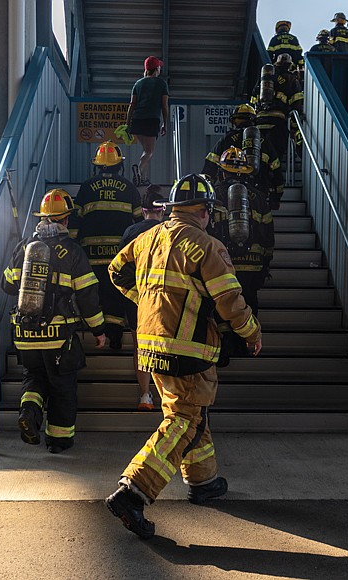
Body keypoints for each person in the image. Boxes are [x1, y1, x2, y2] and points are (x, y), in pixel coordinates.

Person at [104, 173, 262, 539]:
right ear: (204, 210)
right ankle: (133, 492)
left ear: (174, 209)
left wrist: (145, 301)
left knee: (189, 412)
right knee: (184, 419)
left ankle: (203, 481)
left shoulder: (146, 238)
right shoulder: (208, 246)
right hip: (188, 349)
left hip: (152, 343)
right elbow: (230, 302)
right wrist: (252, 333)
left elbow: (115, 271)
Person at [2, 189, 106, 453]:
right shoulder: (72, 251)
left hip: (25, 334)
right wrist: (99, 330)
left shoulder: (24, 247)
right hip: (58, 336)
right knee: (61, 387)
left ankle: (30, 412)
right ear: (66, 220)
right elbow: (87, 296)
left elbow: (7, 286)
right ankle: (58, 440)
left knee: (33, 378)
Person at [69, 141, 142, 350]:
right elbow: (139, 223)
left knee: (95, 293)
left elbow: (75, 220)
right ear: (120, 165)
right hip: (119, 256)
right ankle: (116, 335)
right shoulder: (129, 187)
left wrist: (73, 245)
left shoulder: (86, 187)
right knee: (116, 293)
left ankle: (97, 330)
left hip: (90, 255)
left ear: (98, 165)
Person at [211, 148, 274, 360]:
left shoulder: (214, 194)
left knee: (222, 301)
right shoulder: (259, 197)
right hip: (253, 263)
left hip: (224, 263)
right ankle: (249, 342)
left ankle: (226, 342)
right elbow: (268, 233)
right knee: (248, 300)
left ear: (222, 171)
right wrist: (265, 262)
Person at [119, 185, 165, 411]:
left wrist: (134, 295)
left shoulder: (130, 232)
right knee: (165, 345)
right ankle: (168, 396)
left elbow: (119, 269)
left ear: (143, 210)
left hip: (136, 301)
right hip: (165, 300)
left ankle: (145, 395)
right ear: (162, 210)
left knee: (140, 346)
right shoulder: (170, 232)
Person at [201, 103, 284, 210]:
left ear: (235, 121)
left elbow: (210, 166)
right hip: (259, 195)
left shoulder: (227, 139)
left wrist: (207, 191)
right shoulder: (264, 143)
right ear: (254, 121)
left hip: (229, 193)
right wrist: (275, 198)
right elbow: (276, 172)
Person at [251, 54, 304, 162]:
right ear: (289, 65)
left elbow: (253, 99)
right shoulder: (291, 79)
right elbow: (297, 103)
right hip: (278, 122)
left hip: (260, 122)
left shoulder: (264, 79)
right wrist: (294, 127)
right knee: (275, 157)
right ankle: (273, 176)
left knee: (259, 155)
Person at [126, 56, 169, 187]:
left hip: (137, 120)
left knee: (146, 150)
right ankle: (138, 171)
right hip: (151, 120)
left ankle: (143, 178)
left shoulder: (138, 84)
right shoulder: (161, 83)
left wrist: (127, 123)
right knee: (149, 152)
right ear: (157, 69)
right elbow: (164, 105)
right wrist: (165, 123)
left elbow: (132, 105)